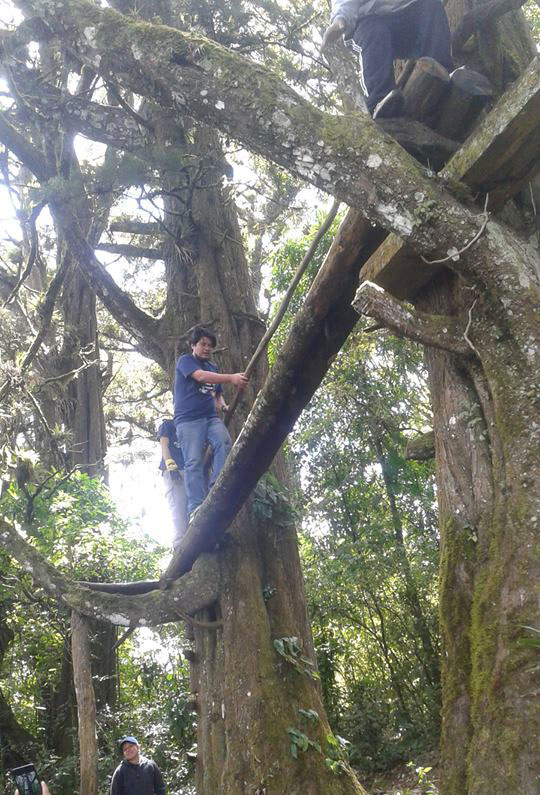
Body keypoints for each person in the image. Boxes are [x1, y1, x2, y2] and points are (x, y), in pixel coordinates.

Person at [321, 0, 453, 119]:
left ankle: (444, 72)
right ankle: (380, 100)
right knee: (376, 32)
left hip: (406, 16)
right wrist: (341, 19)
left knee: (431, 5)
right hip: (368, 22)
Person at [173, 327, 248, 517]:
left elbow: (216, 394)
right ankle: (196, 508)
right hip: (189, 420)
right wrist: (232, 377)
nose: (206, 348)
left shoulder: (213, 368)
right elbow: (200, 377)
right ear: (193, 345)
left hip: (210, 417)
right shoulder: (185, 361)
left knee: (224, 442)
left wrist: (223, 407)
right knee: (193, 461)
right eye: (202, 344)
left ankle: (217, 485)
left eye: (210, 346)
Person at [157, 418, 188, 549]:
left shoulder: (191, 424)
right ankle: (179, 541)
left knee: (190, 505)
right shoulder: (168, 424)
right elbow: (164, 445)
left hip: (189, 469)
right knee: (177, 503)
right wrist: (171, 467)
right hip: (174, 470)